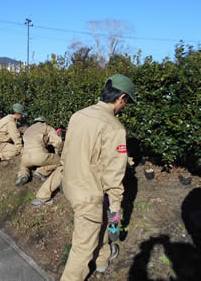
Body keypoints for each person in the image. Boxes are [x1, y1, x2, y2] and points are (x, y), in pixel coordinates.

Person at [60, 74, 136, 281]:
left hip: (70, 185)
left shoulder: (79, 115)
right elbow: (114, 179)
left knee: (95, 223)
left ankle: (102, 259)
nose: (124, 106)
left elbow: (65, 152)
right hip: (89, 195)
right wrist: (115, 217)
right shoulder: (114, 128)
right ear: (121, 98)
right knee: (82, 250)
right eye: (126, 102)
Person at [16, 116, 62, 187]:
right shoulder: (47, 127)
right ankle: (41, 171)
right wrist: (58, 153)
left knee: (23, 166)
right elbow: (58, 142)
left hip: (25, 157)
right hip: (39, 156)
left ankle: (23, 174)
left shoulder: (28, 130)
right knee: (60, 161)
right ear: (45, 122)